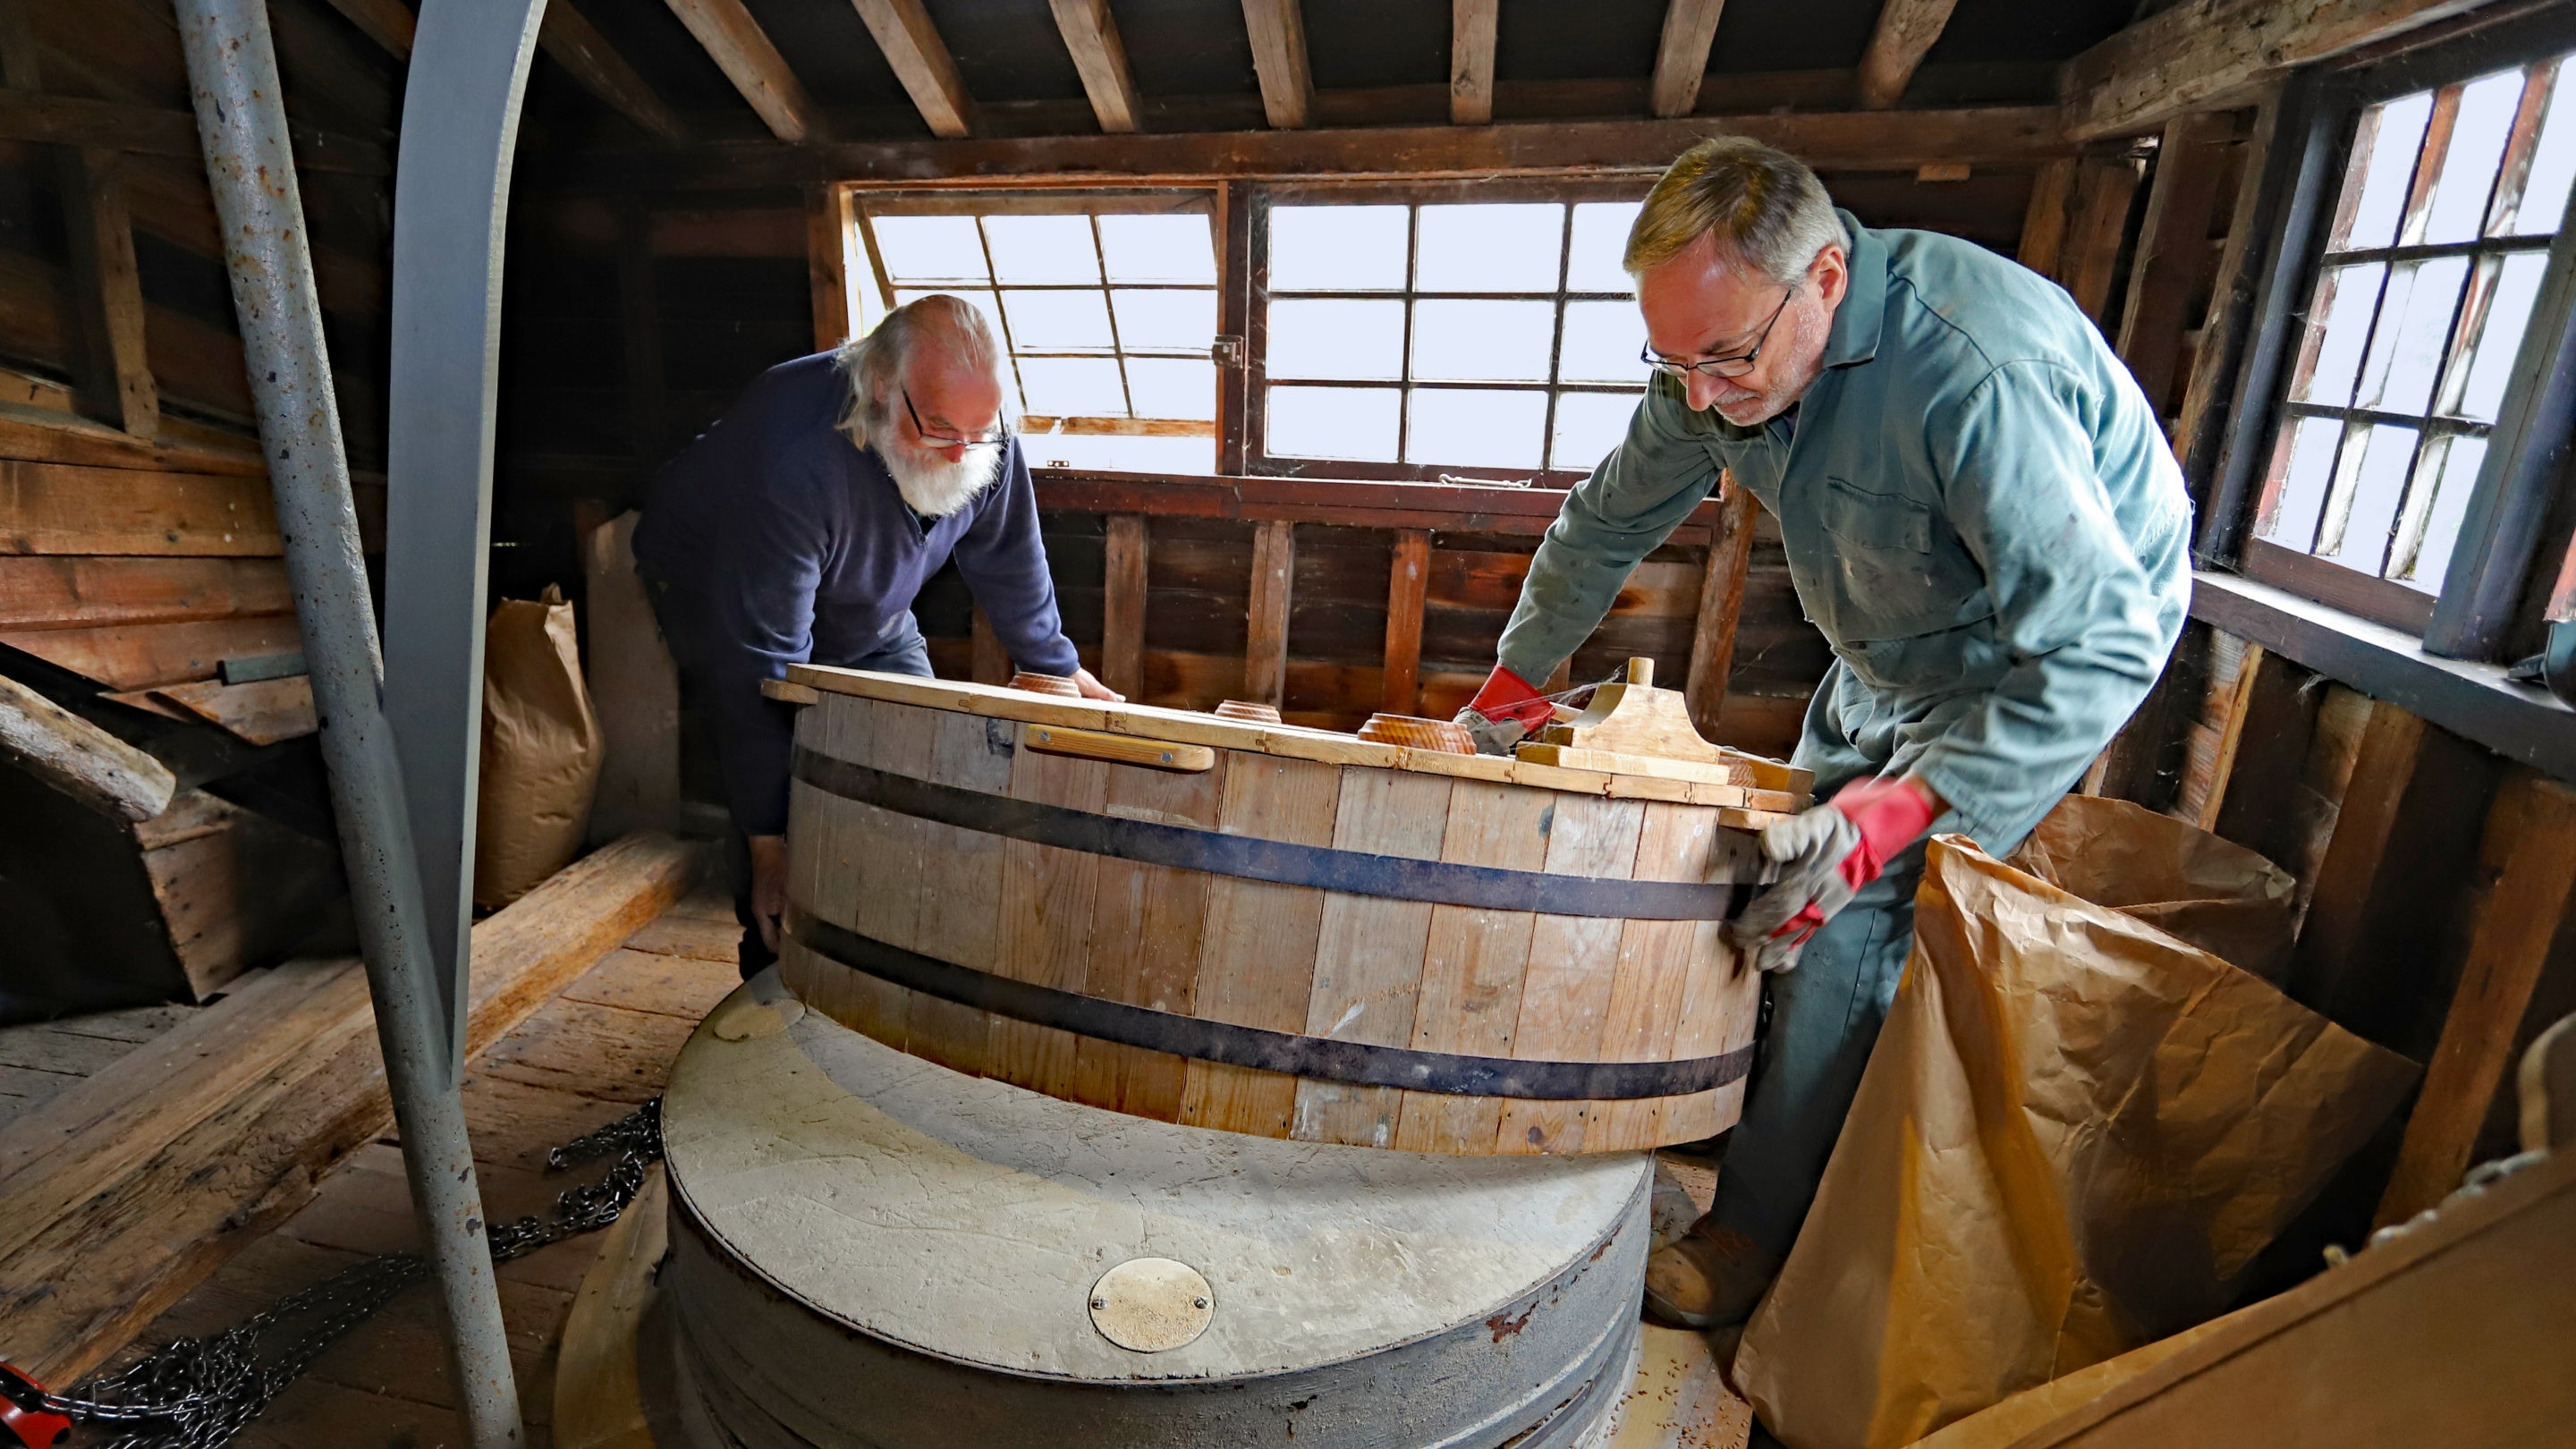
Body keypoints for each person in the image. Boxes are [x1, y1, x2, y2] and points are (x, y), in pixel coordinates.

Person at [1457, 139, 2192, 1341]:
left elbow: (2101, 645)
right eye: (1670, 361)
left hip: (2038, 656)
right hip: (1884, 642)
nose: (1699, 395)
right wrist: (1513, 680)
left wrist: (1893, 816)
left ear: (1829, 281)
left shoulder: (1970, 374)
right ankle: (1730, 1103)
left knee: (1852, 910)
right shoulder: (1717, 361)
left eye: (1729, 358)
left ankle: (1754, 1231)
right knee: (1775, 859)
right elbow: (1605, 522)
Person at [635, 294, 1119, 977]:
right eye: (944, 429)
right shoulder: (794, 460)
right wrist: (772, 849)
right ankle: (773, 965)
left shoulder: (976, 429)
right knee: (791, 783)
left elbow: (1009, 555)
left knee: (912, 765)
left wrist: (1056, 666)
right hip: (718, 578)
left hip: (860, 601)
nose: (963, 452)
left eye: (979, 431)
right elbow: (762, 672)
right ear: (884, 388)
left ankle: (881, 971)